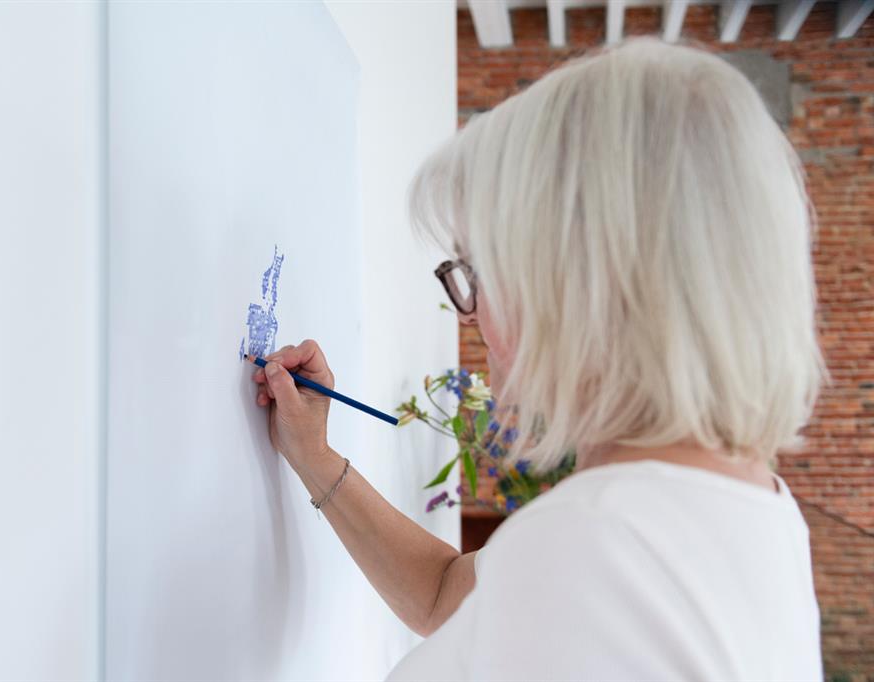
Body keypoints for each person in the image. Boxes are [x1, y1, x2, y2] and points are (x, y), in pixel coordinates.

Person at [250, 36, 828, 681]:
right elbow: (445, 595)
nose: (469, 313)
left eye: (477, 271)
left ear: (575, 281)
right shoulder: (751, 511)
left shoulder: (599, 543)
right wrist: (314, 456)